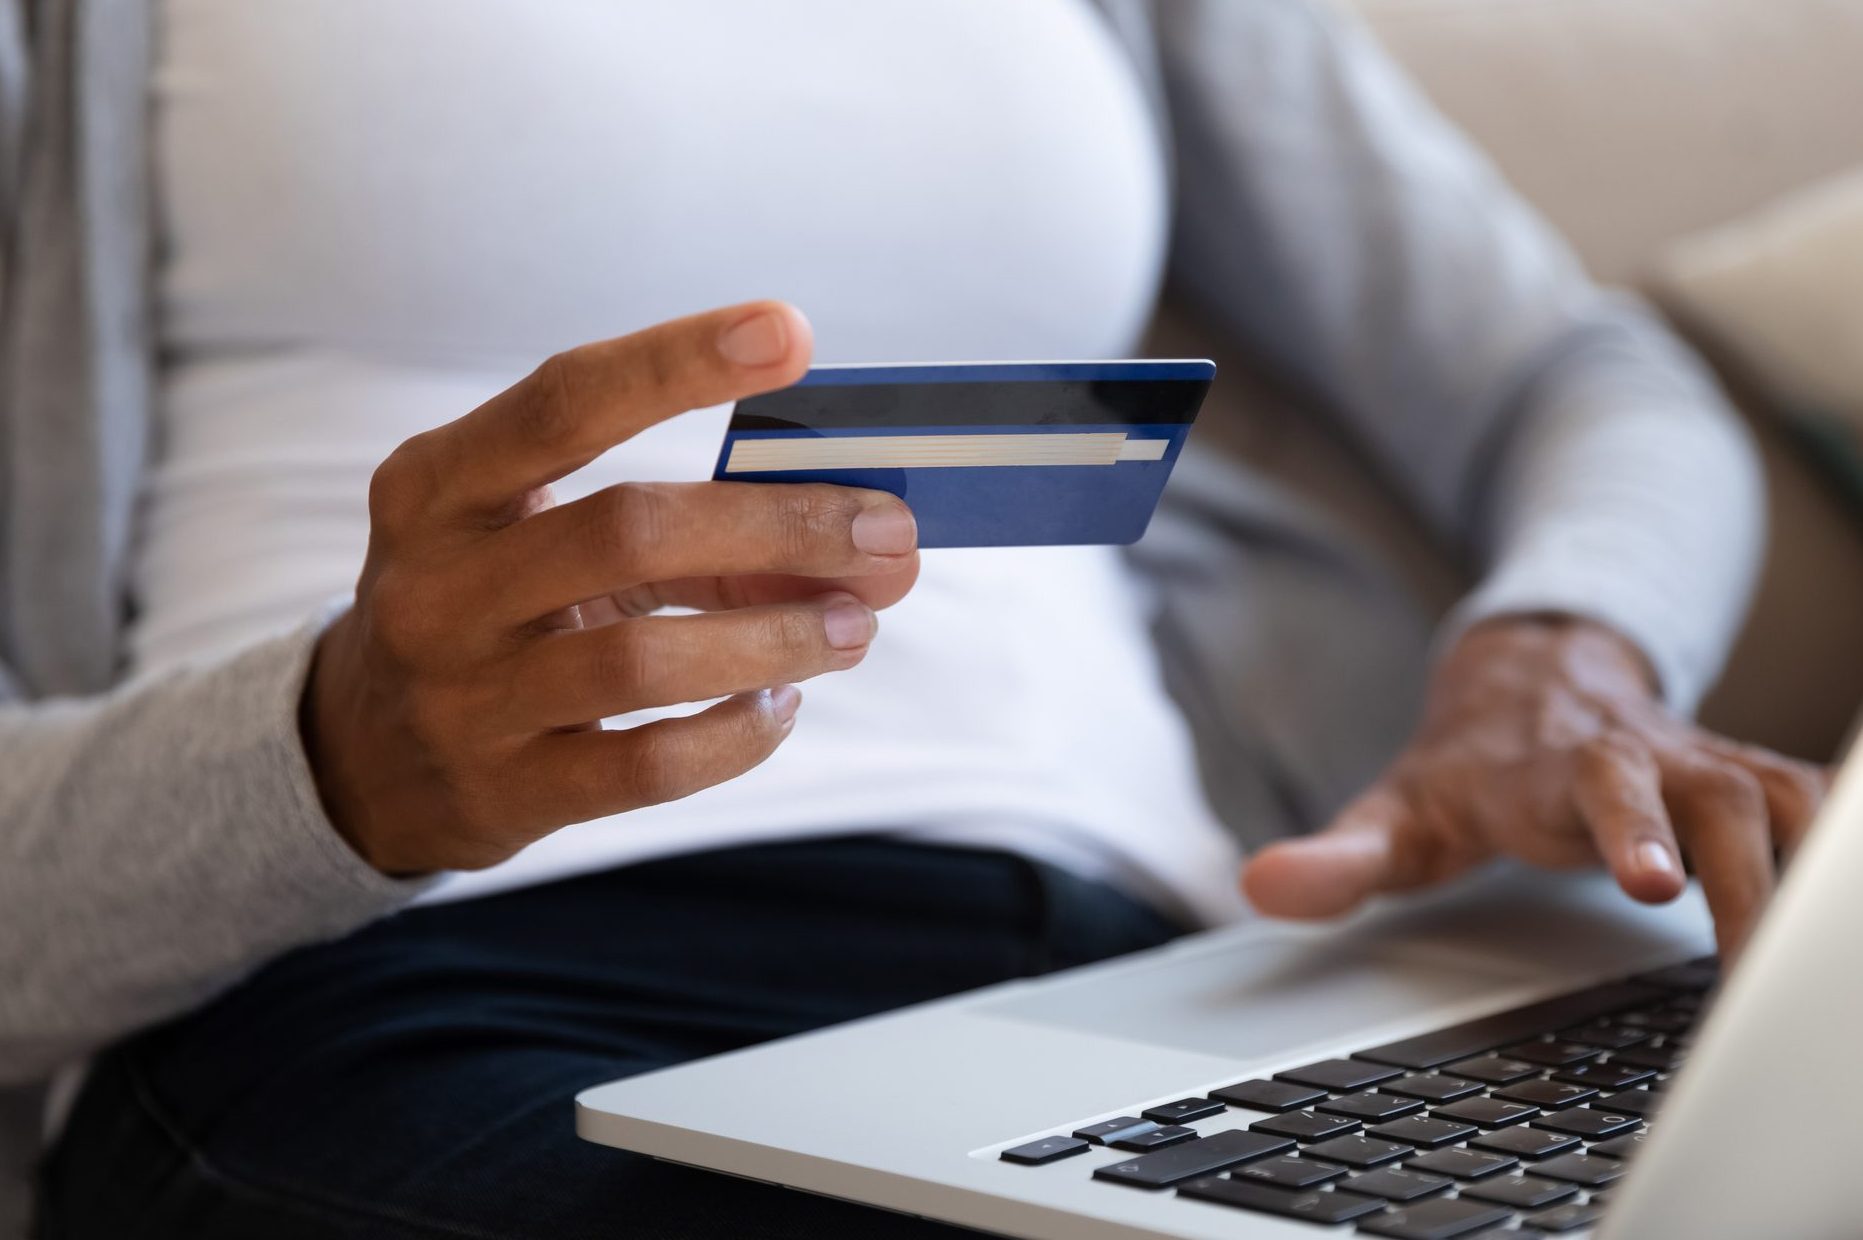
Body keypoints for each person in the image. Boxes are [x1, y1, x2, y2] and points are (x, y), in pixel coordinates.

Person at [0, 1, 1828, 1237]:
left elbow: (1581, 378)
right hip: (423, 990)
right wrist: (330, 759)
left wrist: (1563, 649)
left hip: (1140, 989)